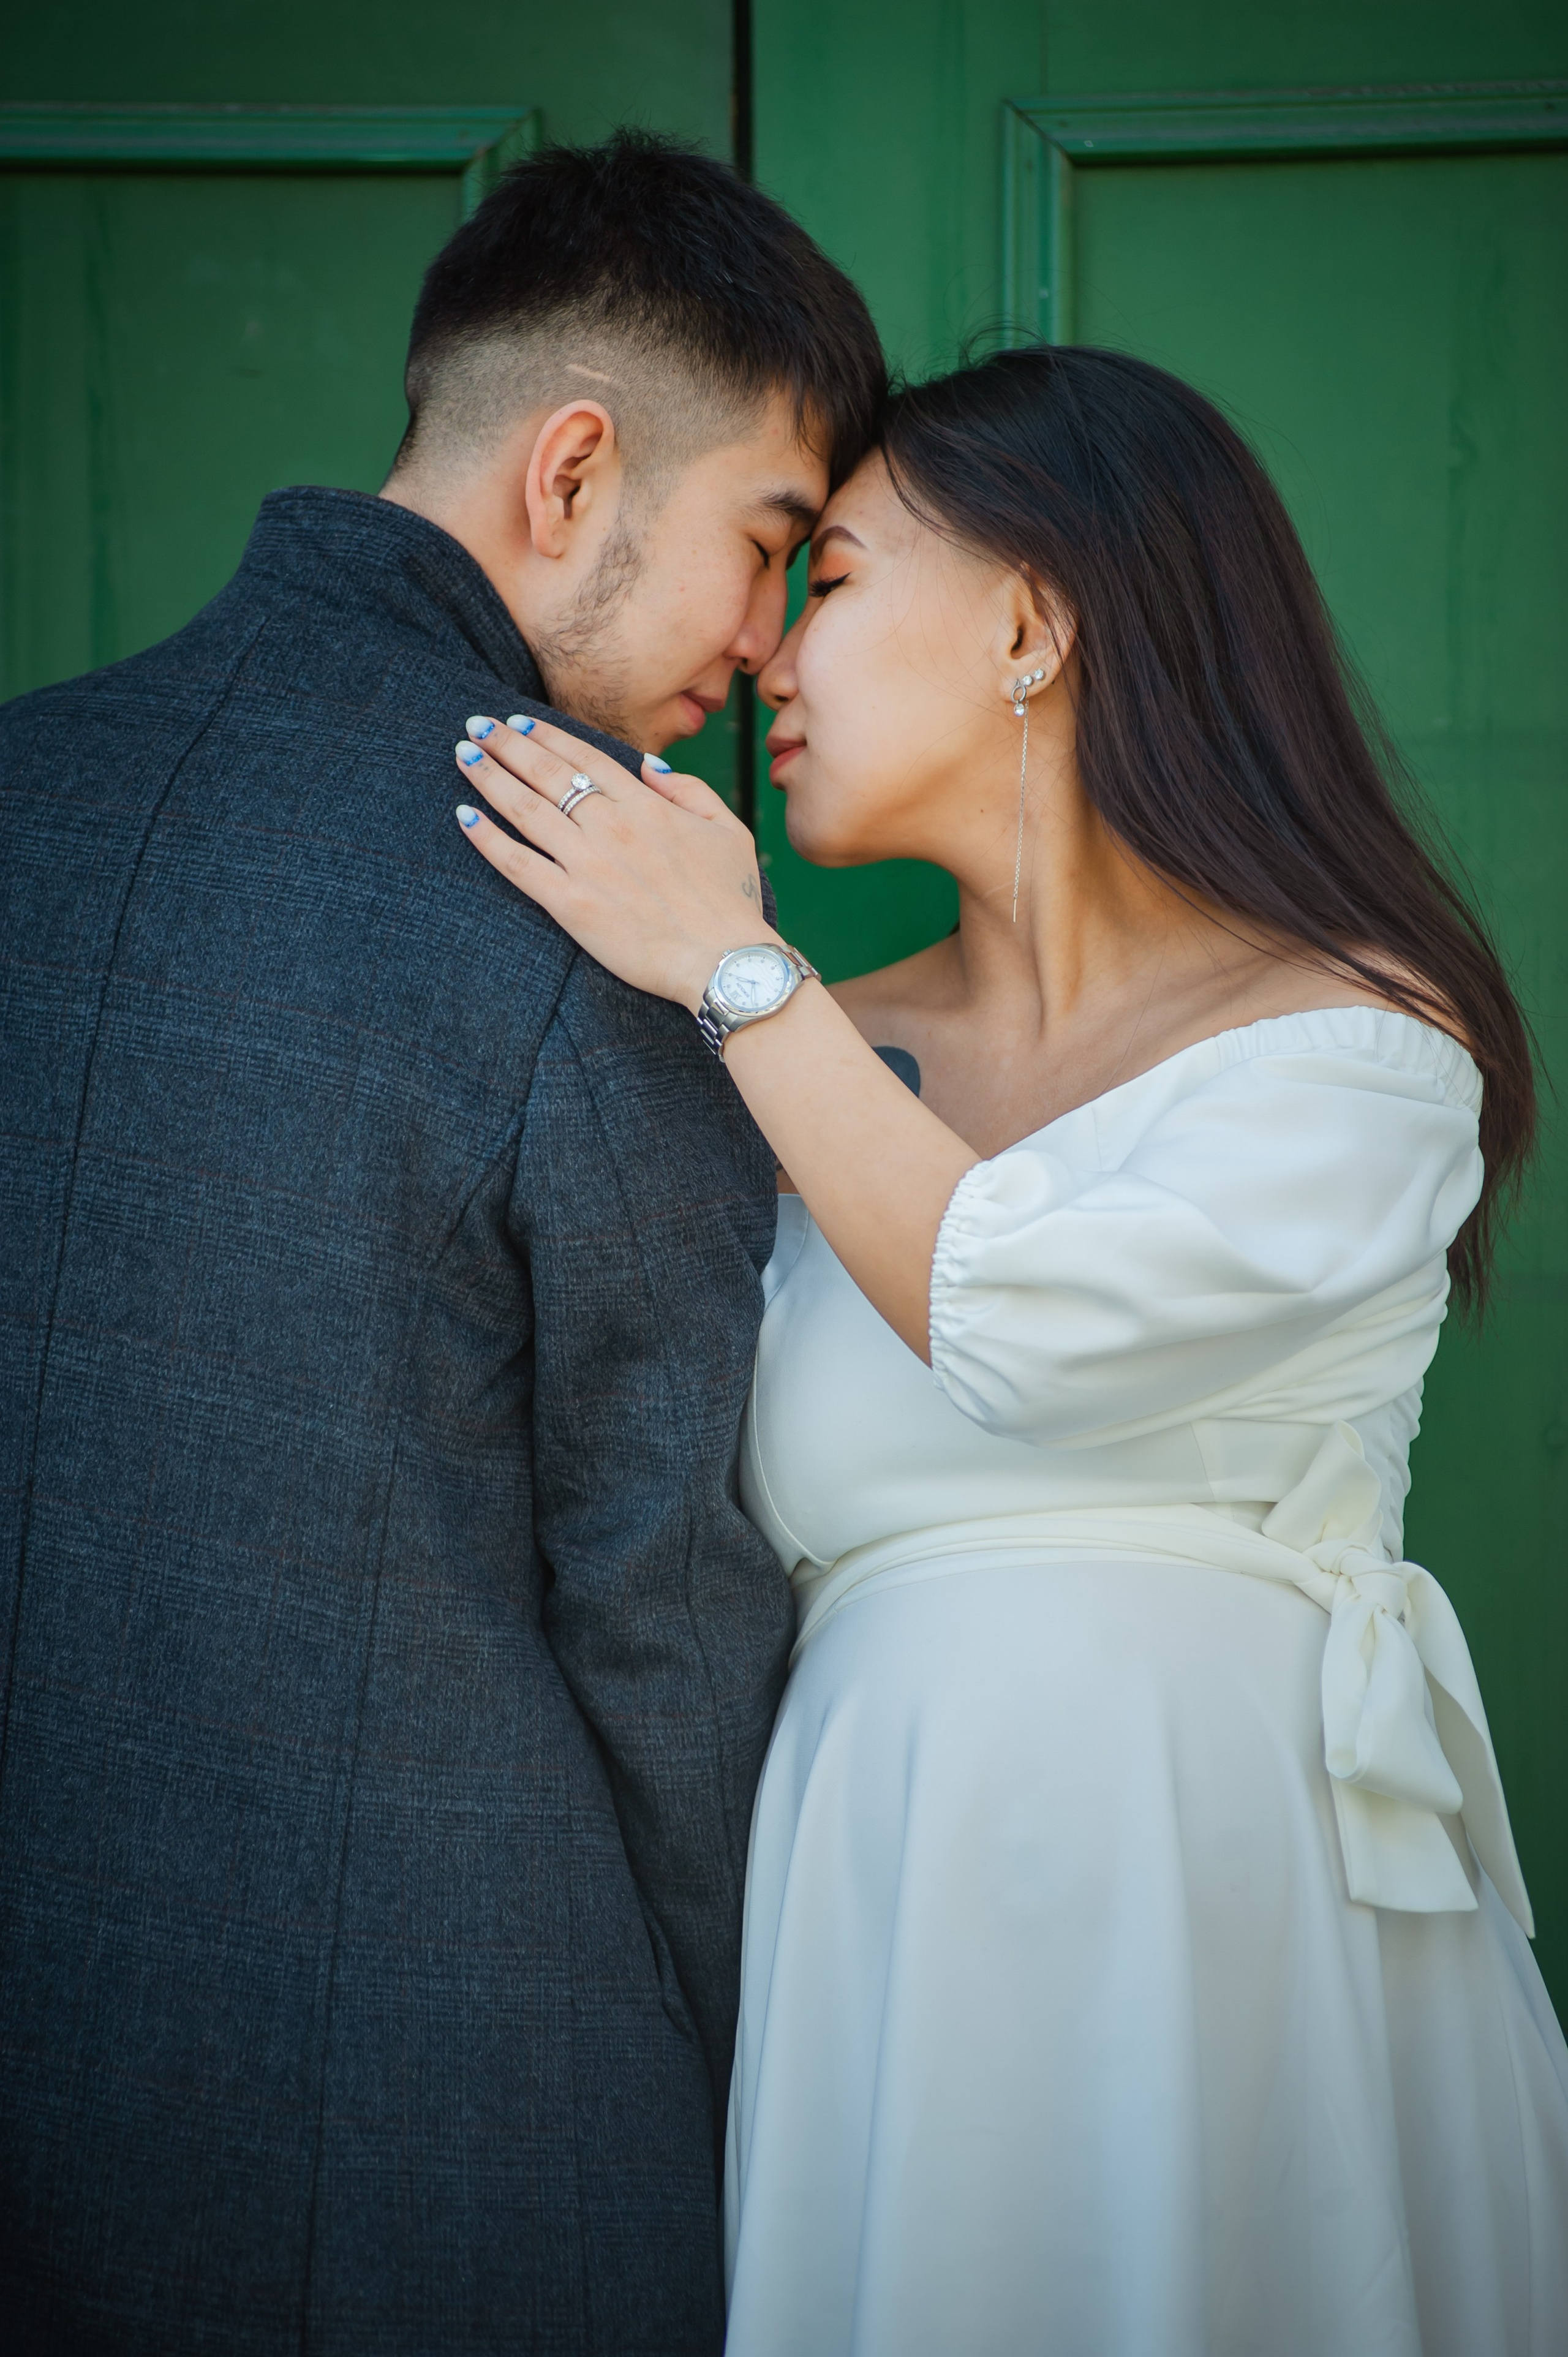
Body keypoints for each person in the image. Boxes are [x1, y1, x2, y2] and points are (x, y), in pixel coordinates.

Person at [447, 342, 1568, 2355]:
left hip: (1231, 1898)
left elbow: (1038, 1319)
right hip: (886, 1893)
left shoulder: (1363, 1047)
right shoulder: (777, 1049)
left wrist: (730, 966)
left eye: (844, 577)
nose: (770, 654)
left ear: (1035, 621)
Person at [0, 133, 883, 2354]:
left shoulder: (25, 793)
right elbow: (662, 1606)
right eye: (769, 546)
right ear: (574, 473)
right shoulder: (599, 904)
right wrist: (787, 2054)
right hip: (458, 2133)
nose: (765, 646)